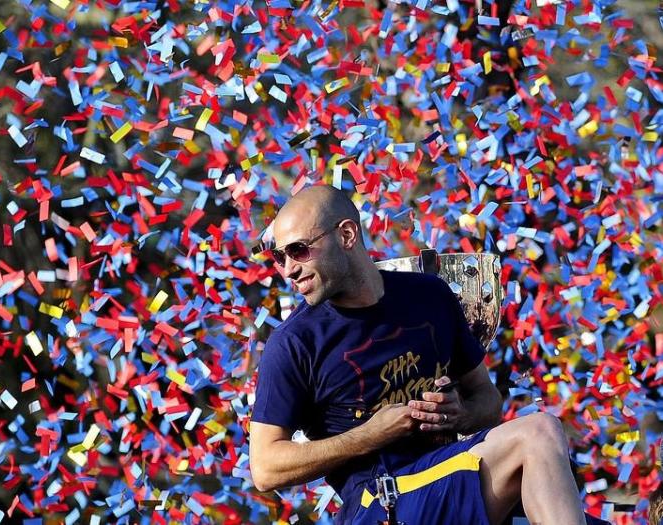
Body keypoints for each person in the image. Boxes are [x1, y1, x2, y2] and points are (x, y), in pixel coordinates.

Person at [249, 186, 588, 524]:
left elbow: (486, 400)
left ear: (347, 235)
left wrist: (461, 415)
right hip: (378, 503)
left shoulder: (430, 294)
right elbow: (265, 468)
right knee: (539, 432)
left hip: (449, 475)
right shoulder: (293, 342)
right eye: (280, 257)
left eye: (299, 250)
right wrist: (369, 436)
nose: (288, 269)